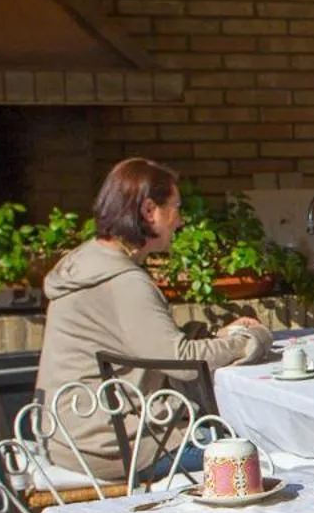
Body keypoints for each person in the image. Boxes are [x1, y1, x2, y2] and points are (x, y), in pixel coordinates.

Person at [35, 157, 272, 482]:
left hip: (69, 435)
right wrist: (249, 341)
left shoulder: (88, 261)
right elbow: (182, 363)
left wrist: (215, 335)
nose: (180, 220)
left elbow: (142, 340)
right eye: (175, 207)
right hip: (115, 447)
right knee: (265, 451)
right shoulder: (124, 281)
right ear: (149, 211)